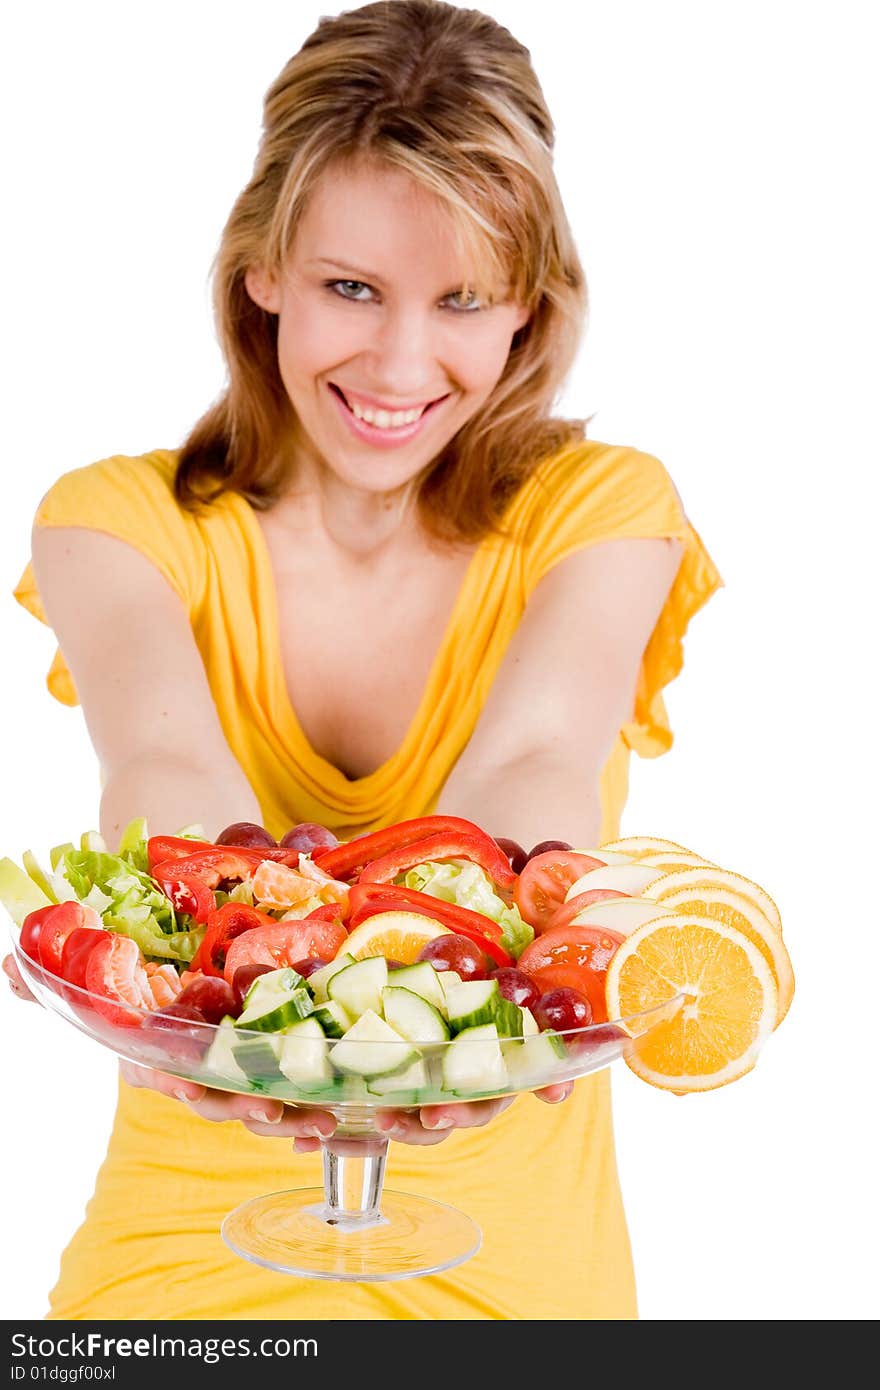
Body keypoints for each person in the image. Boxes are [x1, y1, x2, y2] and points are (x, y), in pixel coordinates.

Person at [4, 0, 721, 1320]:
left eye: (461, 299)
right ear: (262, 267)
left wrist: (444, 1008)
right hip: (181, 1268)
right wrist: (224, 999)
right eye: (351, 287)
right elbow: (165, 762)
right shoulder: (115, 521)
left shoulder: (607, 508)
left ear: (528, 307)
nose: (400, 362)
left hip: (518, 1278)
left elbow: (537, 759)